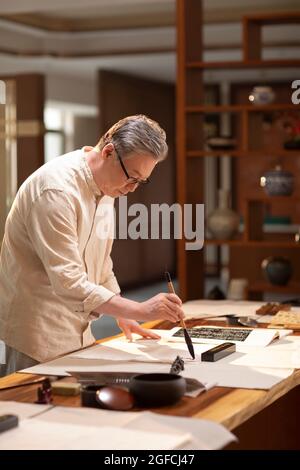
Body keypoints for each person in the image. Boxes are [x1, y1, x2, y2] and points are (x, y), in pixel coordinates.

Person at [0, 114, 184, 376]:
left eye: (140, 182)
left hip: (79, 329)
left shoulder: (108, 186)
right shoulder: (56, 191)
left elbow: (100, 263)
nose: (132, 189)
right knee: (37, 411)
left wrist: (123, 314)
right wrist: (140, 309)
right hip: (36, 332)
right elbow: (69, 282)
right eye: (131, 177)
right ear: (109, 152)